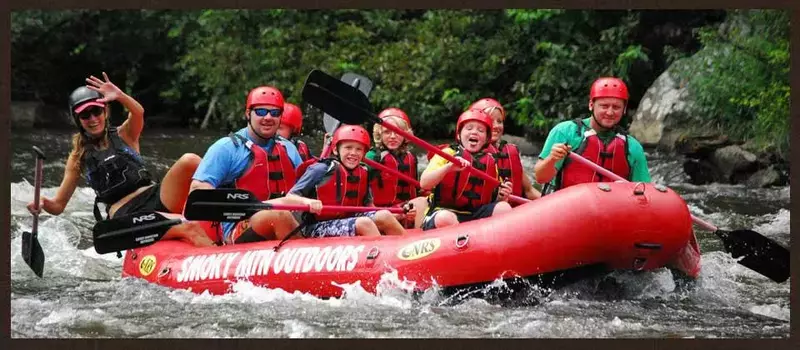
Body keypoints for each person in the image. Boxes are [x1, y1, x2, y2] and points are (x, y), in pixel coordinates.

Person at [27, 72, 213, 247]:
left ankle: (226, 201)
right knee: (190, 226)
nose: (92, 119)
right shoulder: (78, 156)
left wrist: (120, 95)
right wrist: (43, 203)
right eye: (85, 115)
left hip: (156, 196)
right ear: (78, 120)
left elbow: (138, 113)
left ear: (105, 111)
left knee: (190, 160)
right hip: (126, 214)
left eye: (96, 111)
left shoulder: (126, 134)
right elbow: (58, 205)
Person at [189, 85, 308, 245]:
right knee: (278, 215)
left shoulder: (289, 148)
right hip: (239, 226)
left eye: (274, 113)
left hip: (289, 222)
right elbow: (197, 192)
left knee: (286, 216)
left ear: (280, 117)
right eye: (260, 111)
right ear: (248, 114)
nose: (268, 117)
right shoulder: (226, 148)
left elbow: (306, 190)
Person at [284, 124, 407, 238]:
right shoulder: (321, 169)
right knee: (363, 223)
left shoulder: (363, 171)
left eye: (359, 149)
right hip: (315, 227)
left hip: (350, 218)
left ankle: (408, 252)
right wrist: (308, 201)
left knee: (384, 215)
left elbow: (369, 207)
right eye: (348, 148)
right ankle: (381, 258)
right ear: (336, 150)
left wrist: (397, 212)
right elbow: (290, 196)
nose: (353, 153)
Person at [533, 77, 651, 194]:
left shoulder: (632, 146)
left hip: (611, 210)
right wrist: (552, 159)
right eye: (604, 106)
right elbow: (541, 178)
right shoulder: (565, 132)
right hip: (567, 208)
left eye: (616, 107)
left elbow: (644, 191)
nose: (610, 112)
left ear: (624, 110)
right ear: (591, 105)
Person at [419, 109, 513, 231]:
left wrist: (502, 195)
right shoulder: (447, 154)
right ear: (459, 134)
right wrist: (449, 168)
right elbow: (424, 183)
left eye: (481, 130)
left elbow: (493, 197)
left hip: (475, 213)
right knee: (445, 218)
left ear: (486, 138)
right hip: (444, 211)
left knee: (503, 208)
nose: (474, 132)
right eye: (469, 128)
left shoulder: (490, 161)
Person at [365, 107, 428, 228]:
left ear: (406, 135)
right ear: (379, 134)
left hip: (407, 210)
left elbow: (416, 189)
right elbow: (362, 192)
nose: (393, 136)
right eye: (387, 132)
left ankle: (418, 236)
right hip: (382, 212)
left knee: (422, 201)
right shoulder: (372, 157)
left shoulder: (411, 157)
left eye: (398, 132)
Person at [469, 98, 541, 201]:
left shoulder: (508, 153)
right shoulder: (467, 156)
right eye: (490, 120)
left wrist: (552, 203)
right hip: (490, 212)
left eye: (499, 121)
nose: (496, 125)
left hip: (516, 211)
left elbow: (529, 191)